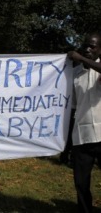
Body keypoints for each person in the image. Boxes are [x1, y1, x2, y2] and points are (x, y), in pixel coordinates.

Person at [67, 31, 101, 213]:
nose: (87, 49)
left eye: (92, 46)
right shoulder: (75, 74)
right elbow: (72, 106)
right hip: (81, 136)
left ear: (99, 50)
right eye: (85, 46)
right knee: (81, 182)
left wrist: (80, 58)